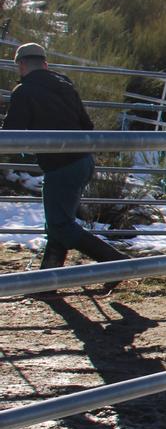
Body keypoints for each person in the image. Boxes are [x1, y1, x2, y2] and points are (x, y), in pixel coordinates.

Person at [2, 42, 129, 297]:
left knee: (60, 225)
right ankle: (46, 281)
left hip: (61, 166)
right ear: (46, 64)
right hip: (82, 161)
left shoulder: (23, 91)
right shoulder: (65, 84)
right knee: (59, 223)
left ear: (22, 65)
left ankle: (116, 264)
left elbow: (11, 134)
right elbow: (87, 124)